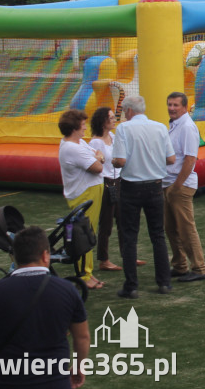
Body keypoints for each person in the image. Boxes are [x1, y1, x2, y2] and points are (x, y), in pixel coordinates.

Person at [0, 226, 90, 389]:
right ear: (45, 255)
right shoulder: (67, 290)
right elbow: (82, 337)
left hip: (9, 385)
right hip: (55, 385)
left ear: (15, 257)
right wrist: (79, 366)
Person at [111, 95, 176, 299]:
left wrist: (113, 162)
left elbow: (120, 160)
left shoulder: (124, 128)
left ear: (129, 111)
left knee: (130, 236)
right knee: (158, 235)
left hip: (131, 187)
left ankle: (131, 286)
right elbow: (171, 159)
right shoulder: (159, 127)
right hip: (155, 186)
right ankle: (164, 282)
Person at [57, 109, 104, 290]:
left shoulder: (78, 144)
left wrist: (99, 157)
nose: (85, 128)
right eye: (83, 125)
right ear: (75, 127)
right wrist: (99, 158)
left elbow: (98, 154)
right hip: (85, 194)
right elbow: (98, 166)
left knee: (89, 231)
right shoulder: (72, 148)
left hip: (90, 191)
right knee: (85, 233)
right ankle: (84, 274)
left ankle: (88, 272)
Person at [164, 92, 205, 283]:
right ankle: (180, 265)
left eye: (175, 105)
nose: (172, 108)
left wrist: (177, 186)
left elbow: (190, 159)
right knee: (171, 228)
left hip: (179, 185)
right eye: (169, 105)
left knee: (186, 228)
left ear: (185, 107)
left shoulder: (188, 127)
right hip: (169, 183)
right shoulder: (175, 125)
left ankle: (199, 268)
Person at [89, 107, 124, 274]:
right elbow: (97, 163)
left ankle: (127, 255)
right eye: (110, 117)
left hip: (118, 181)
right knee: (106, 223)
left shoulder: (112, 136)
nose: (114, 119)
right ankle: (104, 259)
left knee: (124, 220)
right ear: (103, 121)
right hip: (106, 182)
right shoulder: (96, 142)